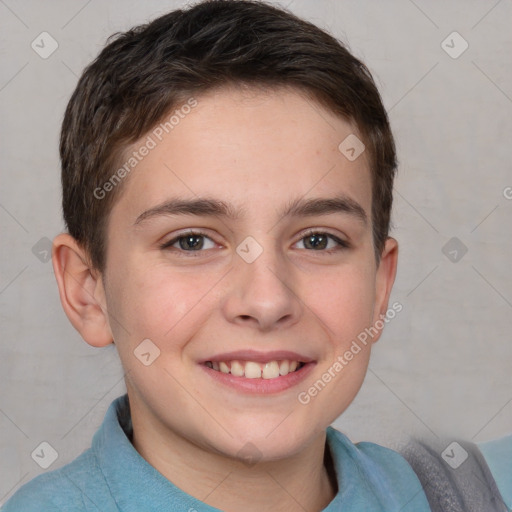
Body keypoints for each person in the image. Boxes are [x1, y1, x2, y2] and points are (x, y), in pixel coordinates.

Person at [2, 1, 510, 510]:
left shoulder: (472, 495)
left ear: (380, 286)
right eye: (192, 241)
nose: (267, 301)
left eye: (317, 240)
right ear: (88, 290)